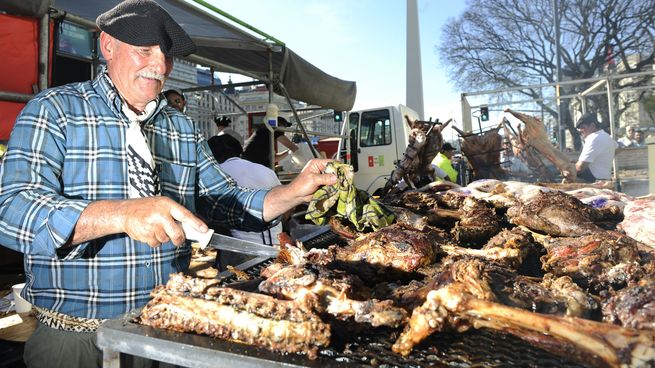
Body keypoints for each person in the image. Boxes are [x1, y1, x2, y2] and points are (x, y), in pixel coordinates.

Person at [0, 1, 336, 367]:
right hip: (75, 342)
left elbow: (224, 201)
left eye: (167, 56)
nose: (160, 66)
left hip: (165, 329)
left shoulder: (181, 128)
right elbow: (12, 210)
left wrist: (292, 192)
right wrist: (121, 215)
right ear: (107, 45)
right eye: (145, 50)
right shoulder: (55, 110)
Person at [207, 134, 283, 267]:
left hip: (241, 250)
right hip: (277, 246)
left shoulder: (216, 174)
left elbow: (212, 219)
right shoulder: (266, 170)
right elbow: (286, 208)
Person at [575, 113, 616, 183]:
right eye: (579, 128)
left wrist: (568, 168)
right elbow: (617, 149)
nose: (580, 130)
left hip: (594, 183)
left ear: (593, 126)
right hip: (605, 179)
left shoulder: (593, 138)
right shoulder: (606, 136)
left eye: (583, 127)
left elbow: (579, 168)